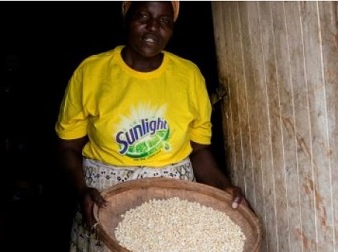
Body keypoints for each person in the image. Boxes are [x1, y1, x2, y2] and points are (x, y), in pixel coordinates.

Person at [55, 1, 246, 251]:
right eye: (143, 16)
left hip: (171, 201)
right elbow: (67, 146)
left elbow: (199, 151)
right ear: (126, 17)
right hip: (104, 198)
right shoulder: (92, 73)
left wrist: (224, 187)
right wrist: (82, 190)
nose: (153, 28)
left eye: (164, 21)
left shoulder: (188, 76)